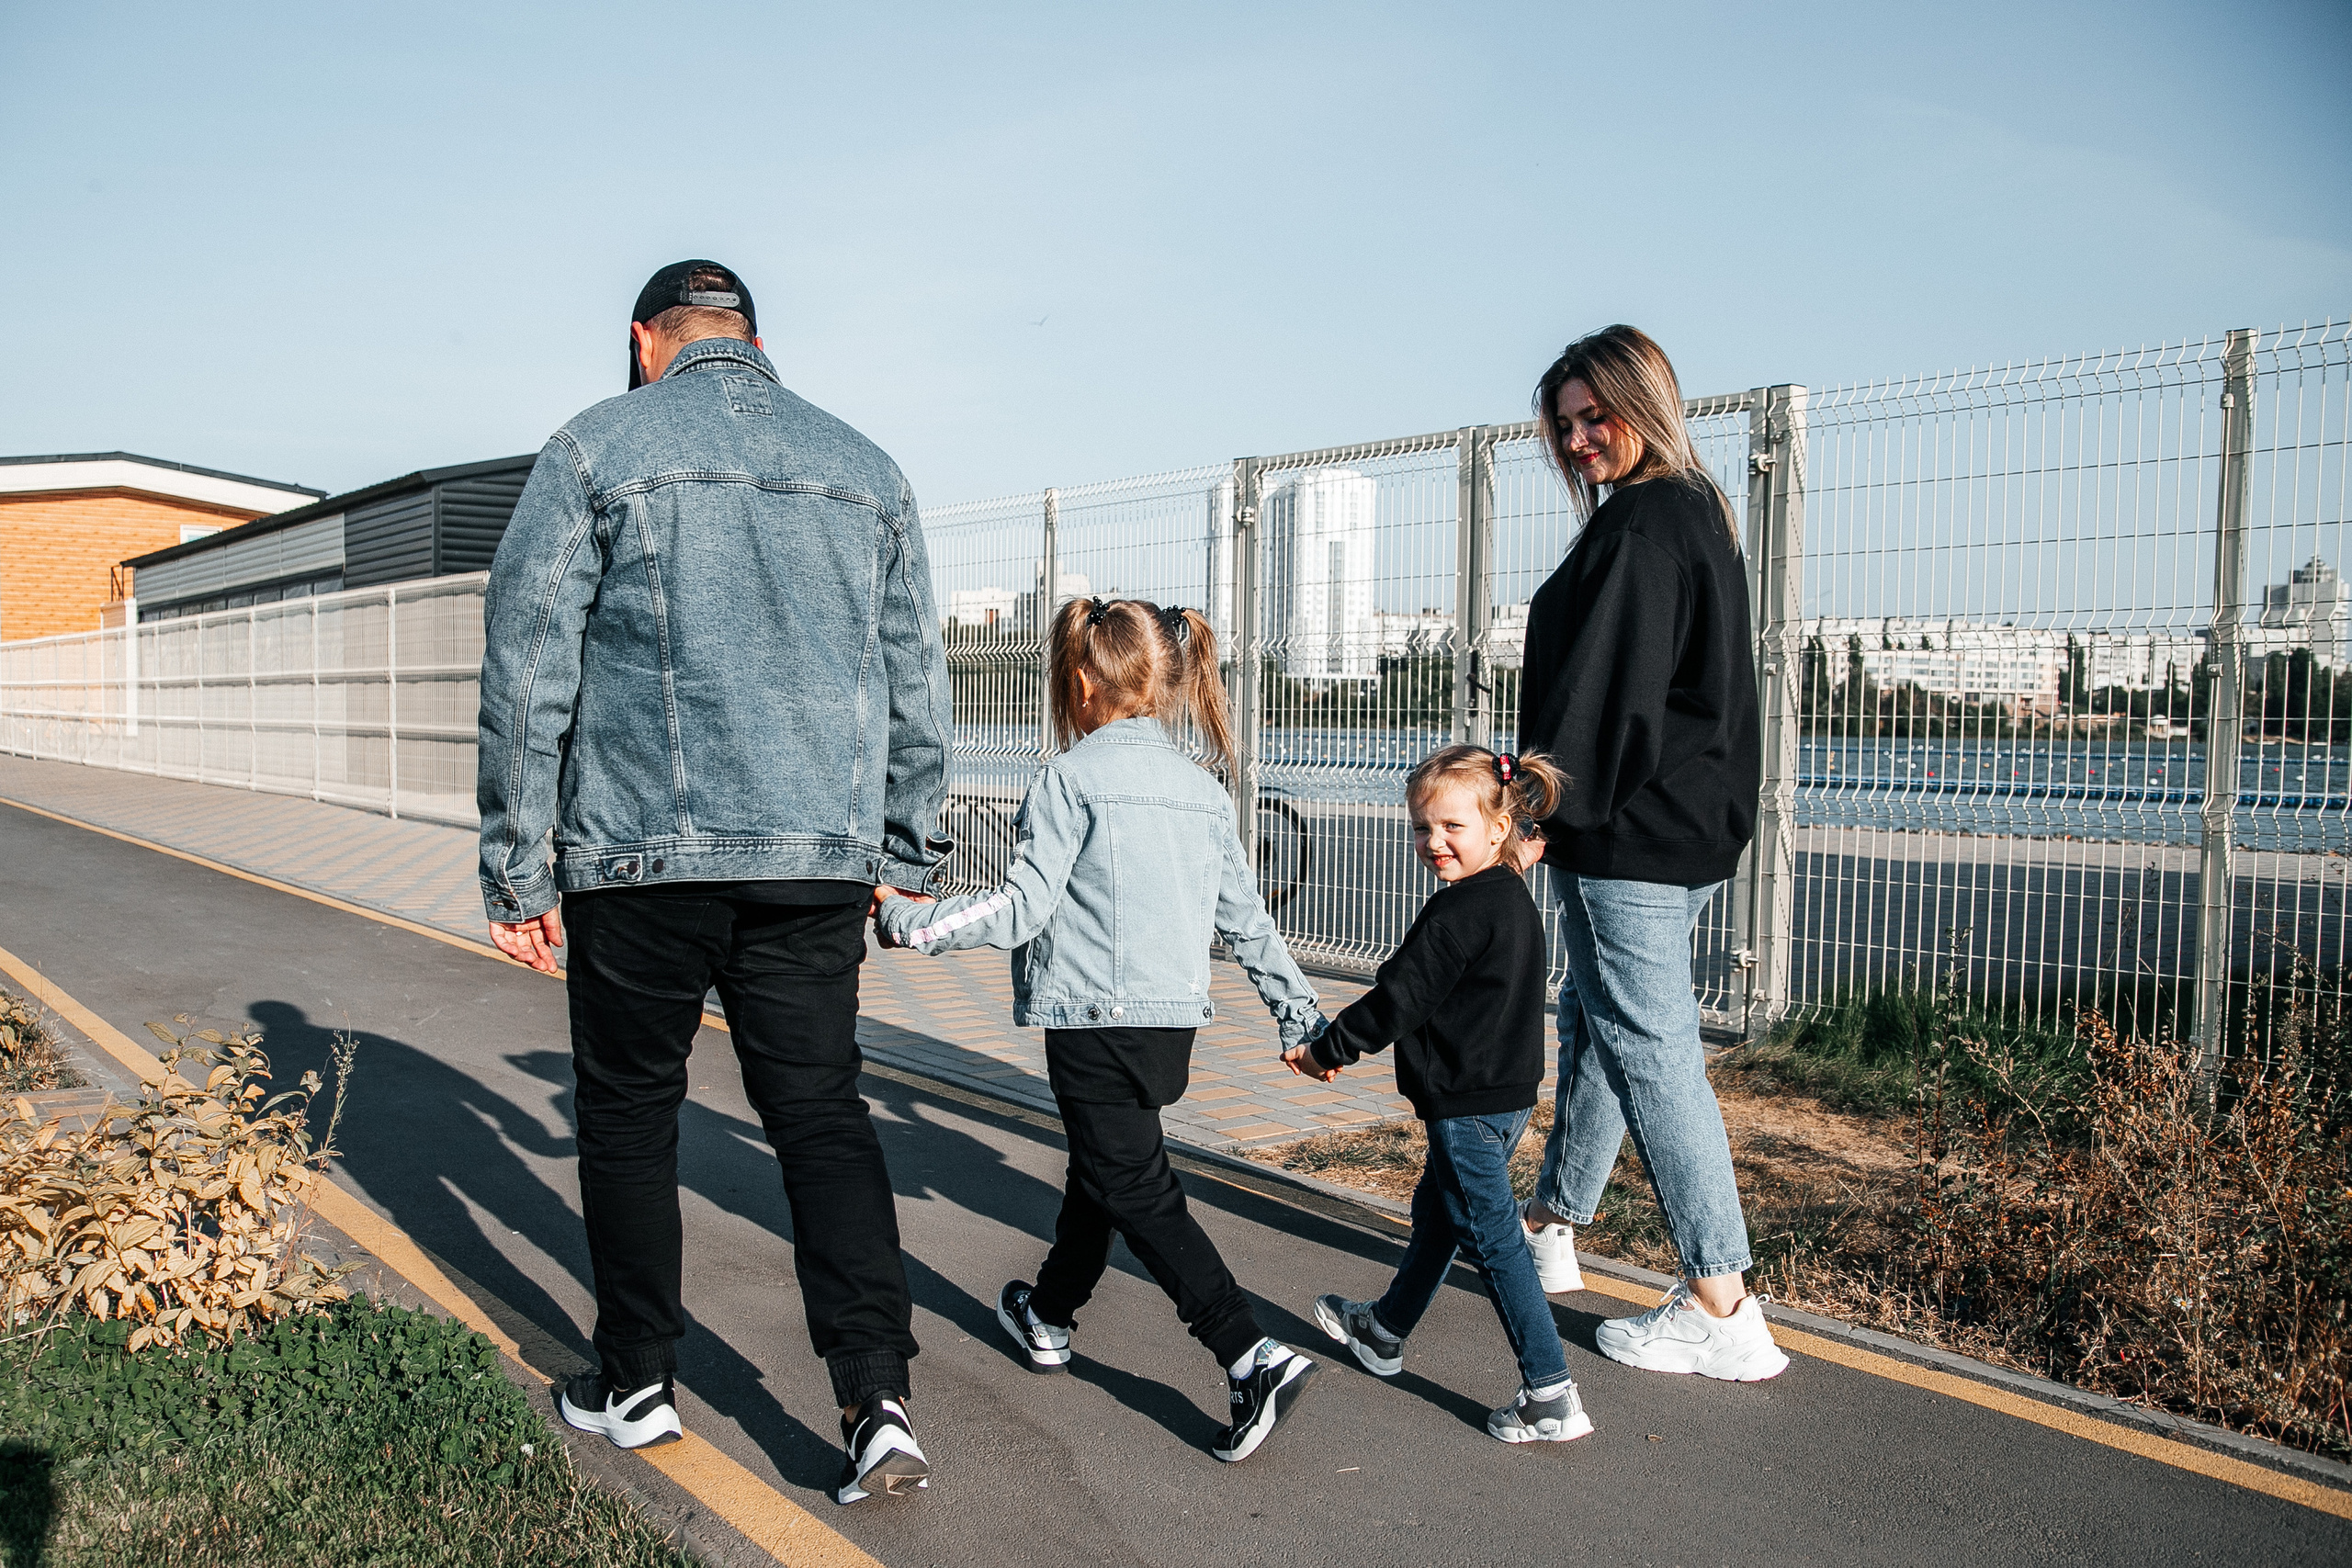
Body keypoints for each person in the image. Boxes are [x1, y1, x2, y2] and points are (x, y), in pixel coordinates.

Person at [476, 259, 957, 1505]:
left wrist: (516, 863)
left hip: (639, 857)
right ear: (752, 338)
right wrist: (903, 855)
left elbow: (529, 665)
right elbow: (918, 681)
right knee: (821, 1115)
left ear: (648, 342)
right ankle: (877, 1401)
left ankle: (635, 1377)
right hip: (813, 864)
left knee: (633, 1110)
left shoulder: (594, 448)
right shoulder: (868, 468)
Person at [872, 596, 1328, 1463]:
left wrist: (911, 923)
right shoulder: (1202, 790)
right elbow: (1249, 923)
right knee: (1104, 1168)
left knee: (1135, 1183)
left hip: (1090, 1026)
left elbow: (1020, 909)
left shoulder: (1069, 778)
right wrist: (1299, 1016)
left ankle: (1248, 1351)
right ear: (1162, 680)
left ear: (1083, 680)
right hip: (1169, 1034)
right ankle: (1048, 1313)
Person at [1509, 323, 1788, 1382]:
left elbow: (1605, 698)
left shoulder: (1641, 522)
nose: (1580, 438)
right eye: (1565, 423)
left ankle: (1722, 1305)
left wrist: (1536, 807)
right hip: (1685, 819)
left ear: (1645, 402)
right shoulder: (1693, 508)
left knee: (1650, 1042)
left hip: (1632, 828)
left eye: (1596, 415)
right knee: (1601, 1014)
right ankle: (1551, 1223)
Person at [1289, 745, 1594, 1444]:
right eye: (1423, 828)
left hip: (1466, 1106)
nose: (1435, 842)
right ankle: (1386, 1329)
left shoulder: (1458, 913)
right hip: (1505, 1095)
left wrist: (1324, 1050)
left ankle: (1550, 1391)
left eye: (1453, 826)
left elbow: (1399, 996)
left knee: (1494, 1241)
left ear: (1497, 827)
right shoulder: (1506, 888)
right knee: (1439, 1214)